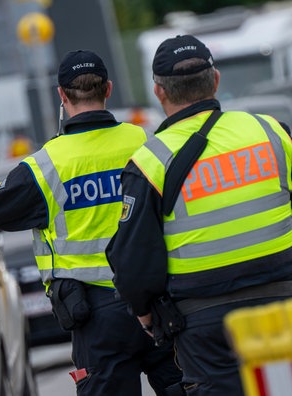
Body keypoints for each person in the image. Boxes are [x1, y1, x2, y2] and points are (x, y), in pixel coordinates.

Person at [0, 49, 182, 396]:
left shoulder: (46, 166)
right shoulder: (145, 143)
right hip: (159, 303)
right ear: (107, 89)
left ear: (62, 95)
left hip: (96, 319)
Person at [106, 34, 292, 395]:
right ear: (216, 79)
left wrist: (146, 315)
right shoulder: (270, 132)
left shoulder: (150, 161)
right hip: (284, 301)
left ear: (159, 92)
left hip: (206, 323)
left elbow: (133, 260)